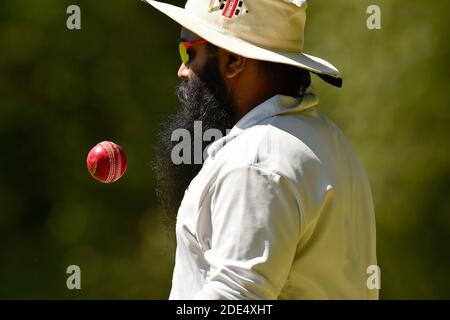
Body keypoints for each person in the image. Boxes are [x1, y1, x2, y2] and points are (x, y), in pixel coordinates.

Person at [149, 0, 378, 299]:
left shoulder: (254, 160)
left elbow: (236, 297)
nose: (182, 69)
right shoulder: (328, 139)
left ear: (233, 60)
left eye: (189, 52)